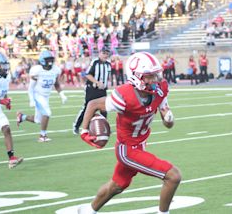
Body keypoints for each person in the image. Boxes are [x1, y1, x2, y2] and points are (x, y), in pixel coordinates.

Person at [77, 52, 181, 214]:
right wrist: (84, 131)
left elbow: (168, 121)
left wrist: (168, 118)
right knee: (173, 176)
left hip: (140, 146)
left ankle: (88, 210)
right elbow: (92, 104)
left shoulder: (159, 89)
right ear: (135, 77)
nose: (154, 80)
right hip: (128, 150)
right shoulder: (124, 96)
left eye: (155, 75)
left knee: (117, 185)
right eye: (149, 76)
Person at [16, 50, 67, 142]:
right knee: (47, 113)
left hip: (46, 96)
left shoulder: (55, 70)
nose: (50, 62)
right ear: (43, 61)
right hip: (37, 95)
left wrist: (62, 94)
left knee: (38, 120)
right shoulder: (37, 70)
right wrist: (31, 99)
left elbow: (57, 84)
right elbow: (31, 87)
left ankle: (22, 117)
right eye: (48, 60)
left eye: (51, 59)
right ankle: (42, 136)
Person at [72, 46, 111, 134]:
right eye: (104, 53)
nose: (105, 55)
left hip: (102, 90)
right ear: (100, 53)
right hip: (92, 89)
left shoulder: (108, 64)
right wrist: (97, 82)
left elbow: (107, 76)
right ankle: (77, 126)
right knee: (87, 108)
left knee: (104, 108)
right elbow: (87, 74)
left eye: (107, 54)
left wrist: (106, 84)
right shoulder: (95, 62)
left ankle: (103, 128)